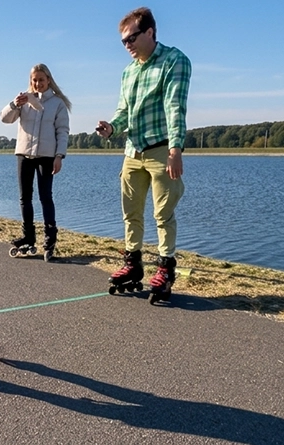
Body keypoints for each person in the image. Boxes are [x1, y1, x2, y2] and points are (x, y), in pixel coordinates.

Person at [95, 7, 191, 302]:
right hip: (132, 150)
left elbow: (175, 107)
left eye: (131, 38)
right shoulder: (128, 72)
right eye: (123, 42)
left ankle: (165, 268)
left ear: (150, 32)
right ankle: (133, 264)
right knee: (131, 213)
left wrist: (176, 149)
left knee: (163, 214)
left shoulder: (174, 60)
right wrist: (112, 128)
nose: (127, 46)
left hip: (162, 148)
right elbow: (124, 112)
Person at [0, 63, 71, 262]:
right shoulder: (23, 101)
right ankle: (28, 236)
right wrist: (15, 104)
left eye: (41, 79)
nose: (37, 83)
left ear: (48, 80)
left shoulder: (57, 104)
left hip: (46, 156)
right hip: (24, 154)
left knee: (45, 197)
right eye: (34, 80)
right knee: (25, 198)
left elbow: (62, 131)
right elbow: (5, 119)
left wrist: (59, 156)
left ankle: (50, 240)